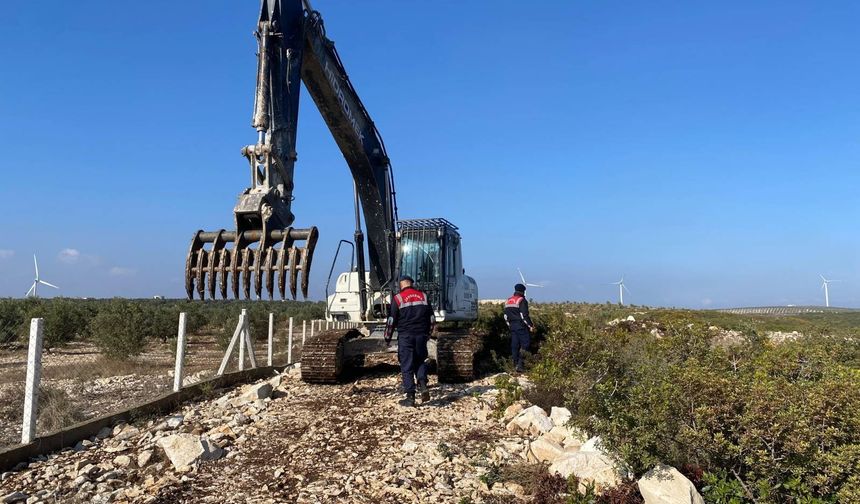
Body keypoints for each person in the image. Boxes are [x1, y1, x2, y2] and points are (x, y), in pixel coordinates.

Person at [384, 275, 436, 407]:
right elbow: (432, 319)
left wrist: (387, 338)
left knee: (407, 365)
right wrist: (428, 334)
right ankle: (423, 385)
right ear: (412, 283)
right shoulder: (423, 297)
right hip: (421, 336)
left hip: (406, 336)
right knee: (420, 360)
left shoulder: (398, 298)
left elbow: (391, 322)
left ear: (401, 285)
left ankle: (410, 397)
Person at [504, 283, 535, 373]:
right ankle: (521, 365)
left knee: (514, 345)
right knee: (525, 344)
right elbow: (524, 315)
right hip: (521, 326)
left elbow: (505, 316)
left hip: (512, 326)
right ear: (523, 291)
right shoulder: (521, 300)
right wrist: (531, 326)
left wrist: (509, 325)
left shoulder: (508, 300)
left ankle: (514, 364)